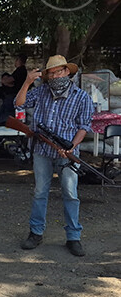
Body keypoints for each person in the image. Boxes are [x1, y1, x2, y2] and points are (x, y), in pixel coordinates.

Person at [15, 55, 93, 257]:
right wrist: (27, 81)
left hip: (67, 153)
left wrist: (71, 147)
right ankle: (35, 233)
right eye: (51, 72)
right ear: (47, 75)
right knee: (40, 192)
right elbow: (19, 104)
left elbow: (84, 127)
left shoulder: (81, 96)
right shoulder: (40, 91)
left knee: (70, 194)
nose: (55, 75)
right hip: (42, 151)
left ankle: (73, 237)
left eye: (59, 71)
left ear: (68, 71)